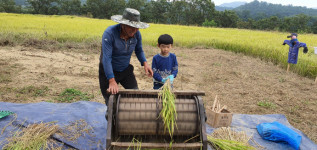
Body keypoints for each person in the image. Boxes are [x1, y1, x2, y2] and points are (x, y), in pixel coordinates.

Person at [99, 8, 153, 105]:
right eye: (131, 27)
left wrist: (145, 63)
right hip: (108, 71)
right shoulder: (110, 33)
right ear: (123, 24)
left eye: (137, 27)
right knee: (111, 103)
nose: (135, 30)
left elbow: (139, 50)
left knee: (135, 95)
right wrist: (111, 80)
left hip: (125, 69)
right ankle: (112, 118)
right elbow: (106, 58)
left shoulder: (136, 34)